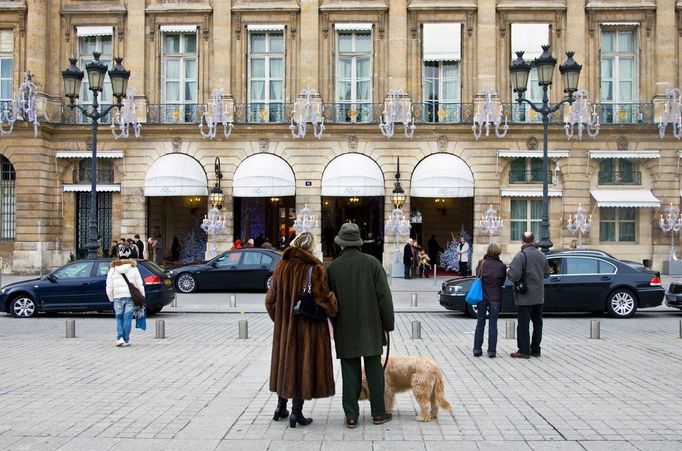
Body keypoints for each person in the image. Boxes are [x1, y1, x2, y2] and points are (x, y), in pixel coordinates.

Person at [265, 232, 338, 428]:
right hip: (308, 328)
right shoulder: (315, 268)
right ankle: (296, 414)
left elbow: (270, 300)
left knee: (286, 364)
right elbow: (323, 300)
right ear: (311, 248)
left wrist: (280, 319)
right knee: (302, 366)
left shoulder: (281, 266)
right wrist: (333, 306)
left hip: (285, 328)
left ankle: (281, 407)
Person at [327, 223, 394, 428]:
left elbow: (329, 301)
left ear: (341, 244)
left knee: (349, 371)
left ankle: (351, 416)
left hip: (345, 327)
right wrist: (388, 324)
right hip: (371, 326)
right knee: (374, 369)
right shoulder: (373, 263)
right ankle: (378, 413)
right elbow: (384, 297)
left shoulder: (333, 268)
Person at [507, 231, 550, 359]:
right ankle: (536, 349)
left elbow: (514, 275)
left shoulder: (521, 256)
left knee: (523, 323)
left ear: (522, 241)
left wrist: (510, 273)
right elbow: (547, 273)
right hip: (539, 295)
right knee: (538, 323)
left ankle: (524, 350)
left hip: (524, 296)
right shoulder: (541, 255)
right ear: (533, 240)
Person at [472, 242, 508, 358]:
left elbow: (477, 276)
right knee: (493, 324)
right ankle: (492, 351)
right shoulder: (502, 266)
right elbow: (502, 282)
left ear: (487, 251)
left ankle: (477, 349)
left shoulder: (482, 263)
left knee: (480, 322)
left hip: (482, 296)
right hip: (495, 297)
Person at [106, 254, 145, 347]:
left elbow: (109, 286)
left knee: (119, 318)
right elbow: (139, 284)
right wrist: (142, 296)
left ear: (119, 258)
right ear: (129, 258)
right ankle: (126, 339)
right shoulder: (134, 269)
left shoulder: (113, 269)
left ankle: (120, 338)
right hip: (130, 297)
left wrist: (111, 297)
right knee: (127, 318)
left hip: (117, 296)